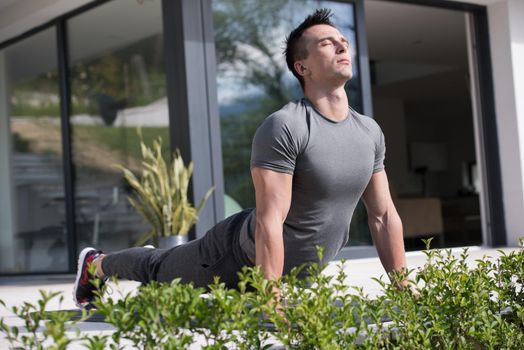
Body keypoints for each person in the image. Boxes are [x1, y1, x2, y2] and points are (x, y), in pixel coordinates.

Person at [73, 8, 407, 309]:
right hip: (232, 255)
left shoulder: (369, 132)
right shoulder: (285, 126)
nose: (341, 46)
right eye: (326, 43)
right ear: (301, 66)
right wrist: (271, 296)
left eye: (343, 41)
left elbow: (383, 216)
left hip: (284, 269)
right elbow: (269, 221)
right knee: (158, 269)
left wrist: (402, 287)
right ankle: (97, 264)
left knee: (171, 279)